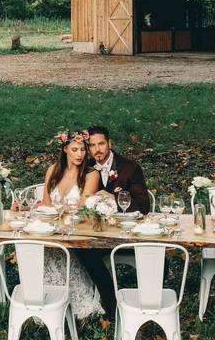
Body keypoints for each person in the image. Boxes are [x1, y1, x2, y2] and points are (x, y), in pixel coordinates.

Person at [74, 125, 150, 320]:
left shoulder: (129, 168)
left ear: (110, 143)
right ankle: (111, 303)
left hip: (124, 236)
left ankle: (147, 302)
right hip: (97, 235)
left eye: (101, 144)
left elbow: (143, 206)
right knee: (82, 249)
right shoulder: (85, 167)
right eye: (92, 145)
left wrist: (112, 198)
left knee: (154, 254)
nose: (97, 149)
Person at [38, 130, 103, 319]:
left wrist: (61, 211)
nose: (79, 154)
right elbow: (46, 204)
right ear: (65, 149)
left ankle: (72, 299)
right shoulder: (53, 170)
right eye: (74, 149)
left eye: (83, 149)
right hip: (52, 229)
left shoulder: (91, 175)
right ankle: (45, 299)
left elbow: (83, 210)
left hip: (75, 230)